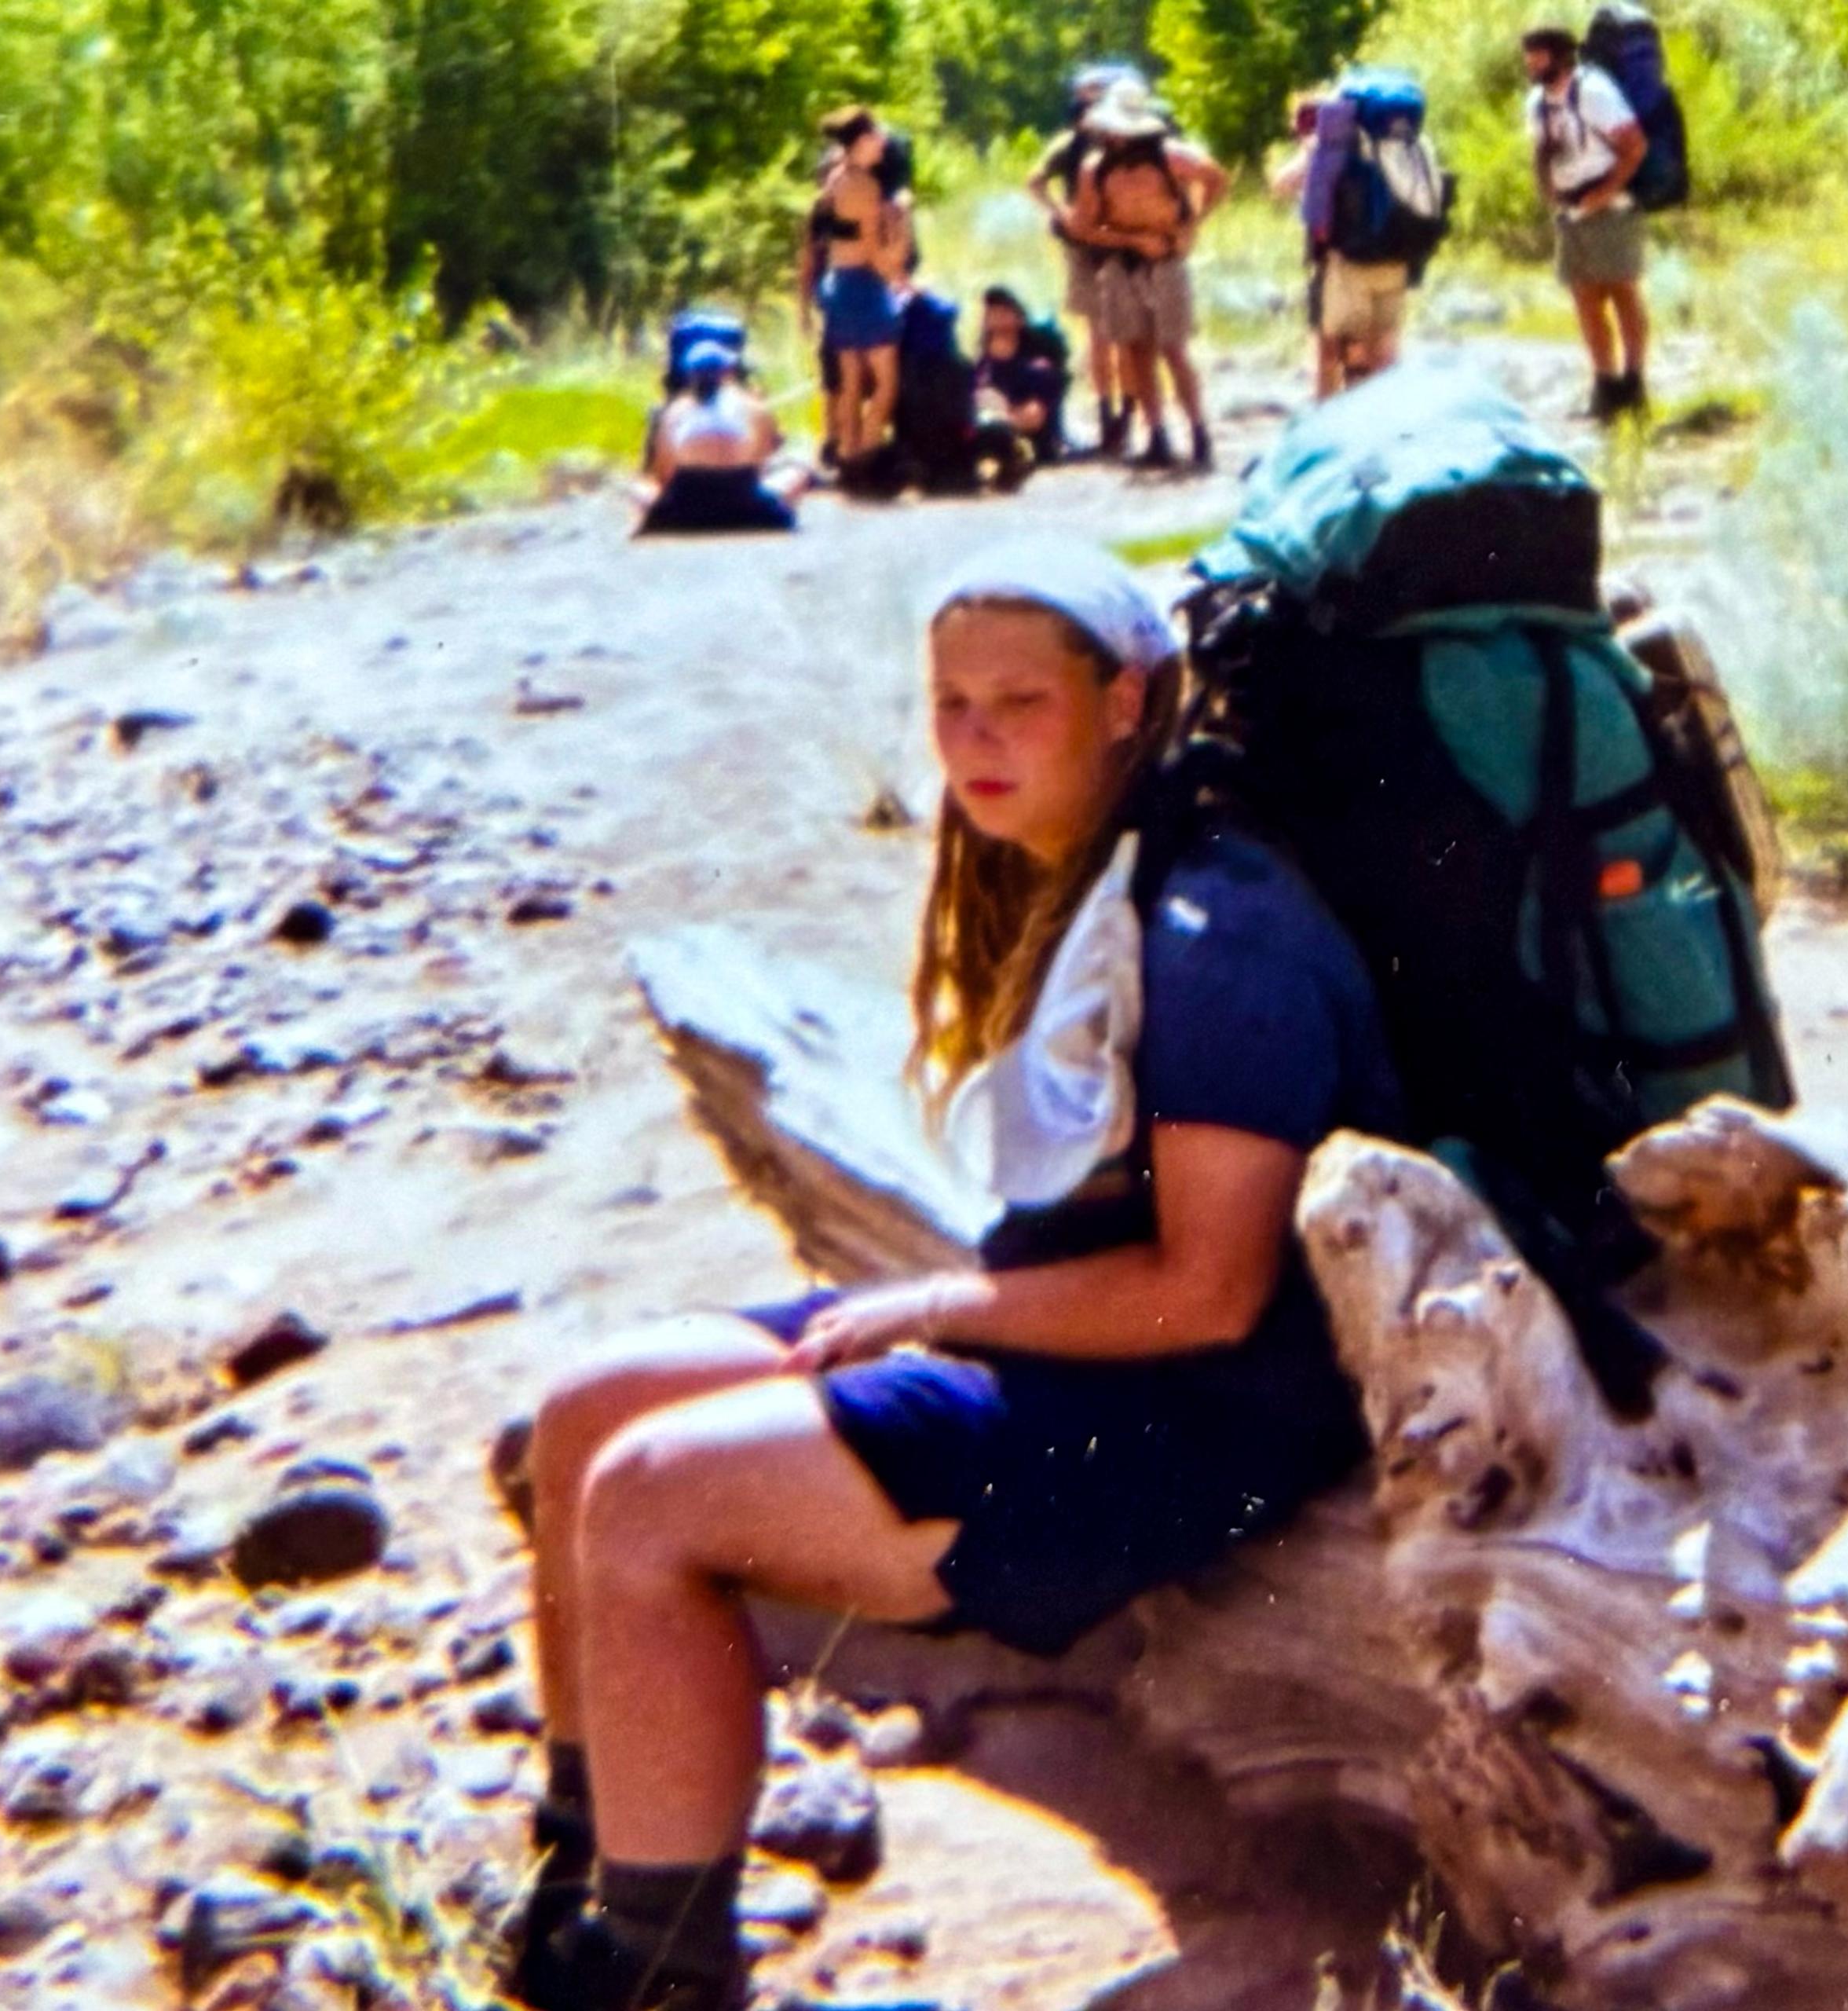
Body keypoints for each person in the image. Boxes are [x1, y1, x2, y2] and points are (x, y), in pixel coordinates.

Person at [502, 539, 1403, 2011]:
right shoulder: (1088, 868)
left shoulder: (1213, 932)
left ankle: (660, 1978)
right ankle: (582, 1887)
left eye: (1018, 706)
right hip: (1071, 1358)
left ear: (1124, 703)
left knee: (652, 1497)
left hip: (1194, 1424)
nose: (975, 743)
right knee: (589, 1415)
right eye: (951, 705)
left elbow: (1212, 1294)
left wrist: (941, 1307)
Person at [1069, 80, 1226, 471]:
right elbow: (1082, 227)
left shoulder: (1171, 157)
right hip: (1123, 263)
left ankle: (1198, 431)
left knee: (1174, 350)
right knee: (1136, 351)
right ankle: (1155, 433)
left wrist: (1193, 223)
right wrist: (1132, 239)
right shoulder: (1096, 169)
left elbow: (1217, 178)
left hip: (1168, 261)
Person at [1522, 24, 1651, 421]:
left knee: (1622, 291)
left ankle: (1633, 383)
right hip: (1571, 210)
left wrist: (1605, 193)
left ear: (1561, 57)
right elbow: (1543, 150)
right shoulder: (1537, 103)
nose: (1531, 64)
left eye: (1538, 55)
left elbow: (1635, 146)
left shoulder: (1594, 92)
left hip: (1610, 206)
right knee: (1584, 297)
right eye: (1529, 55)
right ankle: (1604, 385)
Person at [1026, 64, 1140, 457]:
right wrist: (1062, 214)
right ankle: (1114, 413)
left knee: (1113, 335)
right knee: (1103, 335)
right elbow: (1035, 180)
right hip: (1092, 245)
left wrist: (1061, 214)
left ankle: (1120, 413)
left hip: (1106, 244)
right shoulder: (1076, 144)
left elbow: (1035, 181)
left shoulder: (1081, 142)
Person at [1270, 90, 1411, 400]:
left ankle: (1328, 412)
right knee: (1383, 343)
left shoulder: (1321, 149)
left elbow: (1280, 184)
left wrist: (1308, 157)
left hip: (1336, 260)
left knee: (1332, 345)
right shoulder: (1388, 146)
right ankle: (1387, 411)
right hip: (1394, 255)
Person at [800, 104, 914, 474]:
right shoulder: (865, 186)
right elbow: (870, 248)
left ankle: (847, 453)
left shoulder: (835, 180)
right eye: (877, 135)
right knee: (885, 382)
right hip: (863, 286)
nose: (883, 142)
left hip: (837, 284)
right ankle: (868, 451)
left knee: (849, 380)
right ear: (863, 140)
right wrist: (897, 274)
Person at [634, 339, 811, 535]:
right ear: (726, 373)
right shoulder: (751, 405)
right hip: (743, 497)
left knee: (638, 489)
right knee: (798, 472)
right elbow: (761, 462)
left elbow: (663, 473)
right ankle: (771, 516)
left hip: (686, 500)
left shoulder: (674, 411)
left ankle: (663, 521)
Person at [975, 286, 1068, 470]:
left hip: (1028, 449)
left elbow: (1034, 418)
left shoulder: (1037, 370)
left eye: (1004, 312)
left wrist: (997, 417)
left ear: (1019, 319)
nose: (996, 317)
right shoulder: (978, 370)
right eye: (991, 312)